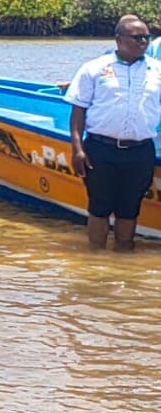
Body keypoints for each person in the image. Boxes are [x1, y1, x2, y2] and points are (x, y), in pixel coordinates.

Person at [67, 15, 161, 251]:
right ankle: (95, 257)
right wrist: (77, 149)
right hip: (101, 149)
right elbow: (78, 110)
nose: (143, 42)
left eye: (146, 38)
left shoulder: (157, 70)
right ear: (118, 39)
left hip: (140, 151)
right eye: (137, 37)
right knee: (99, 207)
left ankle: (123, 254)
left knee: (130, 208)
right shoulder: (95, 68)